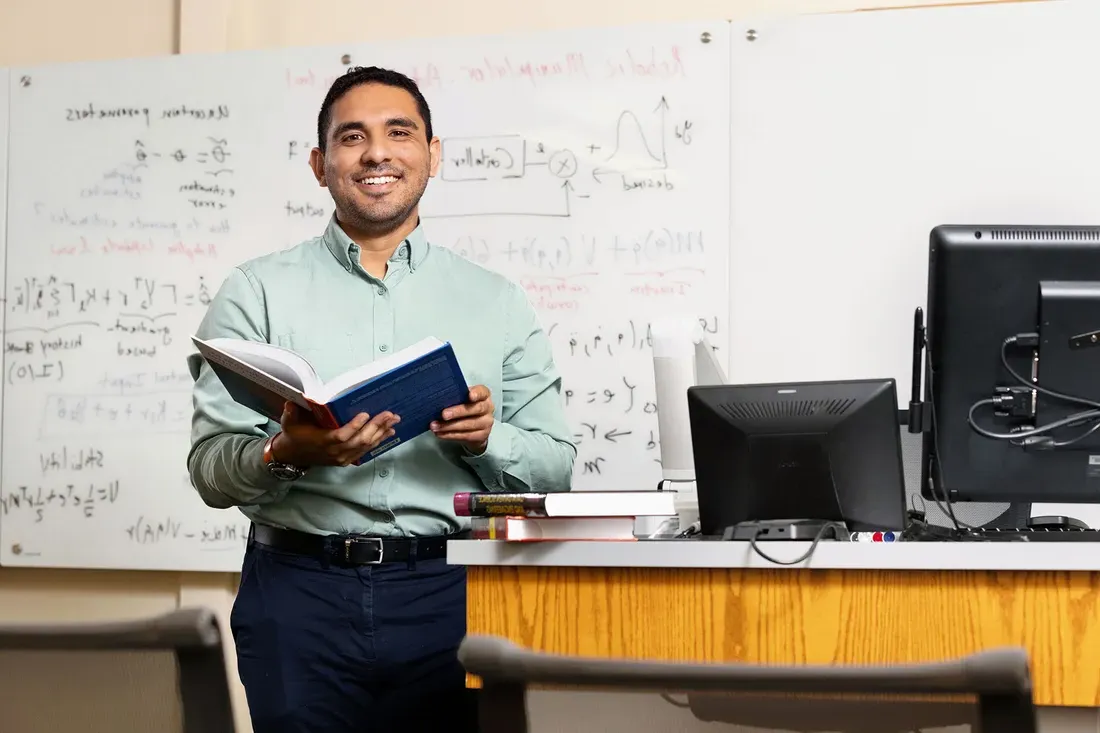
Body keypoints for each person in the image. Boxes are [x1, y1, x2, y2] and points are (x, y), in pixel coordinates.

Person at [186, 65, 577, 733]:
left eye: (399, 132)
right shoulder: (254, 292)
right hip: (297, 593)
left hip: (451, 592)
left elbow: (555, 469)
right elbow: (210, 468)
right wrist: (286, 452)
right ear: (320, 163)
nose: (376, 153)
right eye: (352, 137)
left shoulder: (496, 299)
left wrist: (491, 438)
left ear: (433, 154)